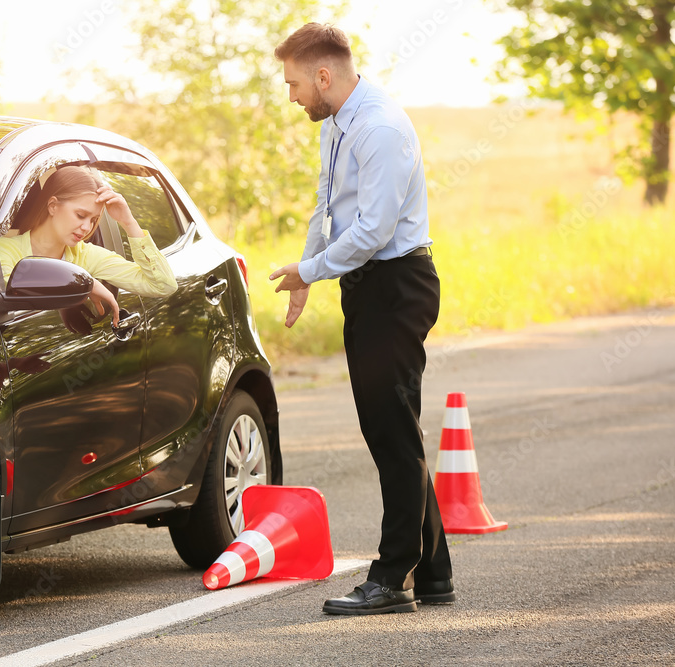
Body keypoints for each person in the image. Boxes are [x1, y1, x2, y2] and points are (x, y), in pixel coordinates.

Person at [269, 23, 454, 615]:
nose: (292, 96)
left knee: (391, 434)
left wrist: (312, 271)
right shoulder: (337, 125)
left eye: (295, 84)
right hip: (367, 288)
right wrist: (306, 271)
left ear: (324, 76)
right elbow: (326, 207)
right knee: (394, 430)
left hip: (397, 285)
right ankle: (434, 575)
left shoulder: (378, 128)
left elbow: (373, 232)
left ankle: (392, 577)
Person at [0, 165, 177, 324]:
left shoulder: (86, 255)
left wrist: (128, 222)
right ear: (53, 206)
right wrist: (88, 284)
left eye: (94, 219)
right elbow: (4, 300)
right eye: (81, 215)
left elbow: (163, 285)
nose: (87, 227)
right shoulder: (3, 249)